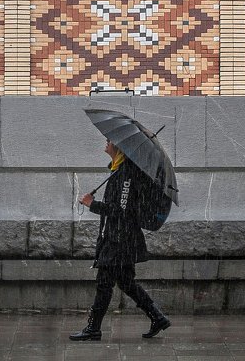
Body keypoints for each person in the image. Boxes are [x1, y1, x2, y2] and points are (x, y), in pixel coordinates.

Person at [69, 138, 171, 342]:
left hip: (121, 240)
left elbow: (122, 211)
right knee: (125, 282)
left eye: (109, 140)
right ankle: (157, 317)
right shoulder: (117, 170)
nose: (105, 142)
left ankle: (93, 329)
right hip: (117, 238)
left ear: (119, 147)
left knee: (104, 283)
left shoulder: (126, 174)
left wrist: (93, 204)